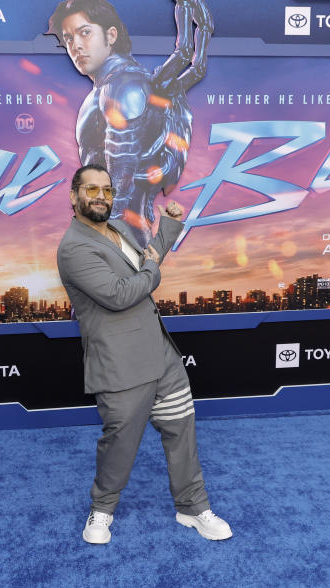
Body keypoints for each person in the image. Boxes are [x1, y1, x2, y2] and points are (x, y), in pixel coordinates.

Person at [56, 164, 231, 544]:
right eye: (91, 190)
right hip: (120, 364)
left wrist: (167, 229)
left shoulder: (116, 230)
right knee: (119, 443)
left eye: (106, 190)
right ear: (74, 197)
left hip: (161, 354)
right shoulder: (74, 248)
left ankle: (192, 507)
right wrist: (152, 268)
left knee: (181, 433)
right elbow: (120, 295)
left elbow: (144, 263)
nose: (100, 196)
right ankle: (101, 511)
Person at [48, 0, 212, 247]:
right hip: (123, 232)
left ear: (111, 35)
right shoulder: (124, 85)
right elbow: (190, 60)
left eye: (84, 32)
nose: (76, 46)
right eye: (68, 39)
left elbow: (119, 181)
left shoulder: (123, 87)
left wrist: (105, 231)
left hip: (120, 233)